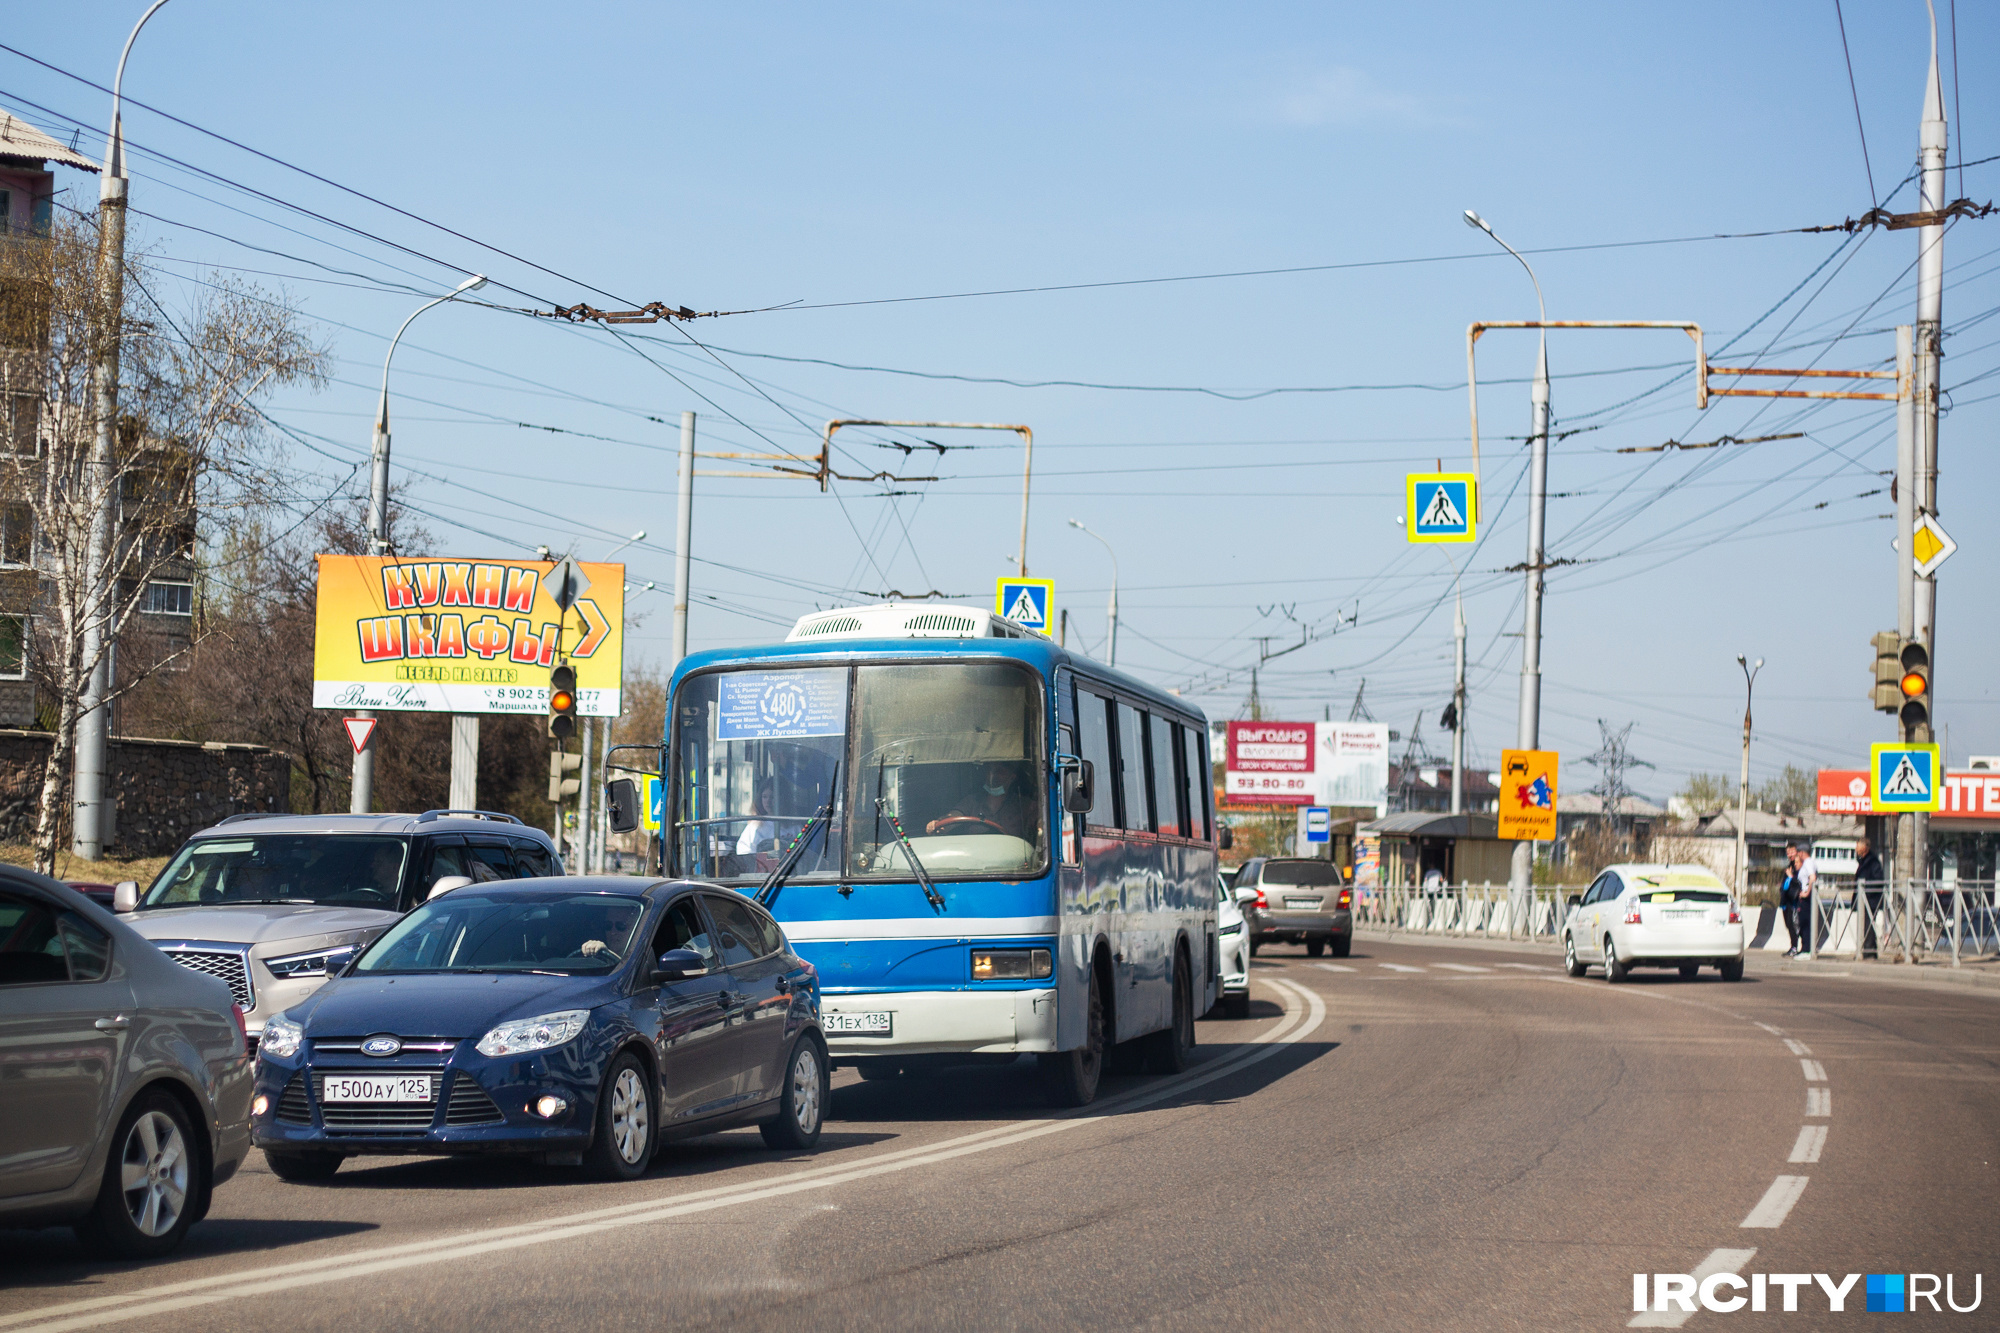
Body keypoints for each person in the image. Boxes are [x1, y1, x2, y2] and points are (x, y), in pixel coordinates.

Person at [927, 761, 1032, 840]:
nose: (992, 776)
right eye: (989, 771)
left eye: (999, 771)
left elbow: (1041, 822)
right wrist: (941, 823)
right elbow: (954, 816)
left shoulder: (1023, 804)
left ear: (1012, 777)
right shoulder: (972, 801)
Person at [1853, 837, 1886, 958]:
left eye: (1858, 846)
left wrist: (1865, 890)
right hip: (1863, 900)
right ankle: (1866, 949)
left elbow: (1878, 880)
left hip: (1870, 900)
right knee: (1864, 924)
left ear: (1864, 848)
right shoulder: (1863, 861)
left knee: (1868, 924)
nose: (1856, 849)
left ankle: (1870, 951)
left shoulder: (1873, 862)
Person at [1778, 845, 1805, 957]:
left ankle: (1798, 947)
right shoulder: (1790, 866)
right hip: (1786, 901)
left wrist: (1791, 877)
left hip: (1794, 902)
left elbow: (1798, 882)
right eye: (1788, 852)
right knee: (1789, 925)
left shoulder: (1800, 867)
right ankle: (1793, 946)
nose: (1790, 855)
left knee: (1795, 925)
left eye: (1792, 852)